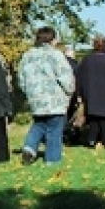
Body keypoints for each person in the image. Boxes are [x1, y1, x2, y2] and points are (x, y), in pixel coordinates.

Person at [17, 26, 76, 165]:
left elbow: (21, 78)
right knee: (54, 129)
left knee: (39, 124)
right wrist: (70, 90)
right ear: (52, 40)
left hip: (36, 98)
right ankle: (52, 159)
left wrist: (28, 93)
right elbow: (65, 76)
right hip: (54, 99)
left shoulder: (27, 56)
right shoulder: (56, 55)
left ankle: (29, 147)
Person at [76, 38, 105, 148]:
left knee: (93, 120)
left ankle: (91, 140)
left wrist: (79, 93)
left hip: (90, 93)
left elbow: (79, 78)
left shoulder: (86, 60)